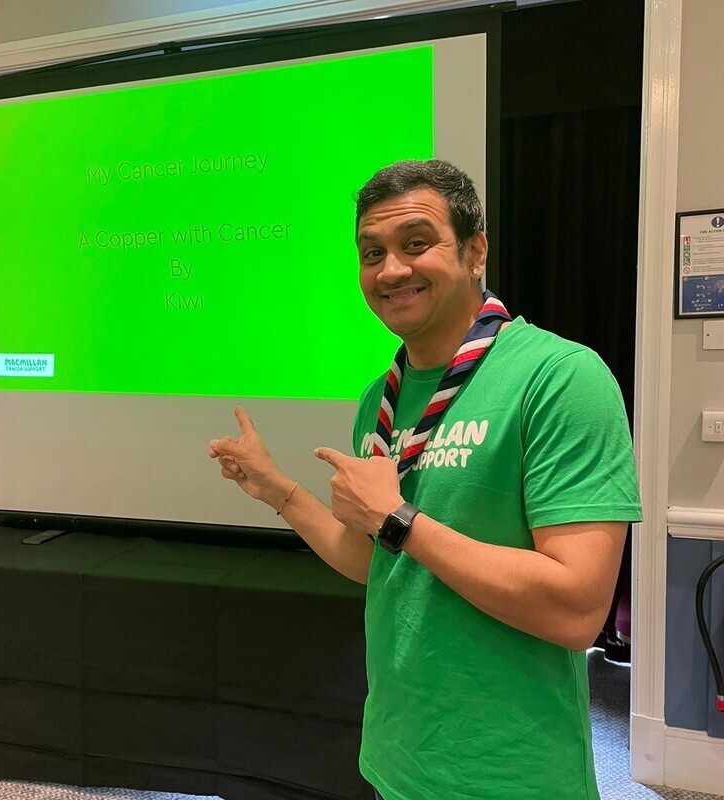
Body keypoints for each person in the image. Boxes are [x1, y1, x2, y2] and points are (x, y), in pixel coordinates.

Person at [209, 159, 642, 800]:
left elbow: (577, 609)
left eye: (416, 244)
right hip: (397, 756)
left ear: (475, 251)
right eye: (371, 252)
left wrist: (396, 519)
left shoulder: (561, 379)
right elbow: (373, 562)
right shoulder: (377, 401)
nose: (390, 270)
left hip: (510, 773)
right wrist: (280, 491)